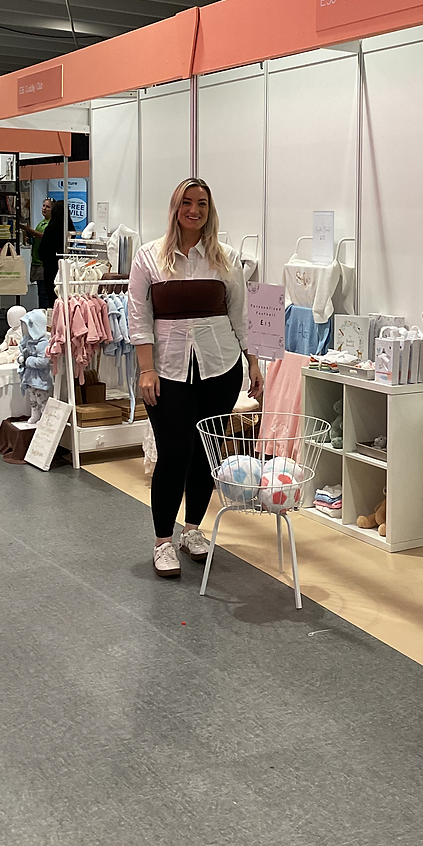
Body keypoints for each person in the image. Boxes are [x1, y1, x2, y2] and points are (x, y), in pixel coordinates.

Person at [128, 178, 264, 578]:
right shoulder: (149, 257)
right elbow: (139, 318)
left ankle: (192, 530)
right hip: (166, 371)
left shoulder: (225, 258)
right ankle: (161, 541)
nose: (194, 210)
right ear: (175, 208)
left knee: (207, 452)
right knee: (174, 453)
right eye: (187, 202)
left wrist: (253, 363)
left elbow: (241, 316)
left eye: (202, 203)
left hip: (220, 367)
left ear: (210, 210)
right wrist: (146, 369)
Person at [36, 199, 75, 309]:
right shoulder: (69, 228)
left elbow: (43, 250)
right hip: (66, 265)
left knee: (51, 296)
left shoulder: (51, 227)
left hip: (50, 266)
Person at [21, 197, 53, 308]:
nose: (44, 208)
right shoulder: (42, 223)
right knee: (41, 291)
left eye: (47, 206)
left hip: (43, 263)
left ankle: (44, 316)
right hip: (37, 261)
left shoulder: (51, 224)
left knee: (44, 292)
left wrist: (29, 230)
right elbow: (37, 238)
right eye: (43, 205)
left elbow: (43, 237)